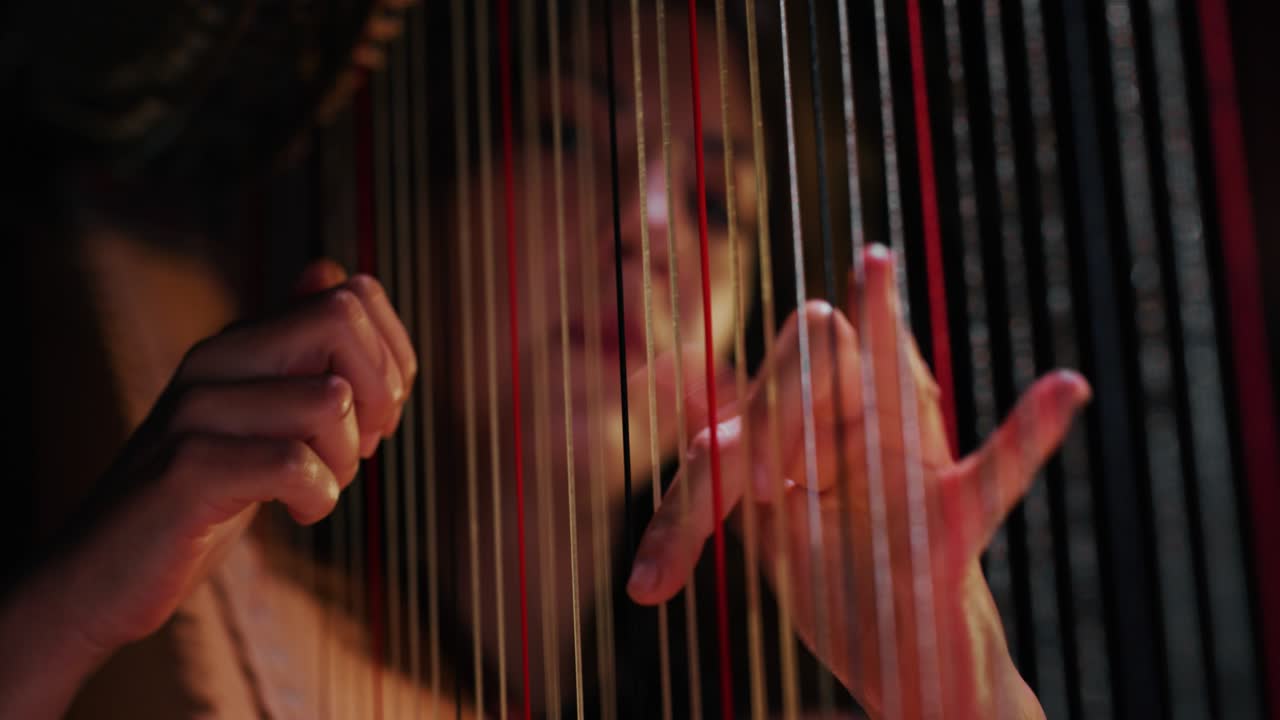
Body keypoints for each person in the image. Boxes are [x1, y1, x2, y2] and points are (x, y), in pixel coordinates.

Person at [2, 1, 1086, 717]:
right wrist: (66, 616)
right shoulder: (176, 552)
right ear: (394, 207)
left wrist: (957, 689)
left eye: (714, 203)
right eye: (568, 134)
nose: (647, 229)